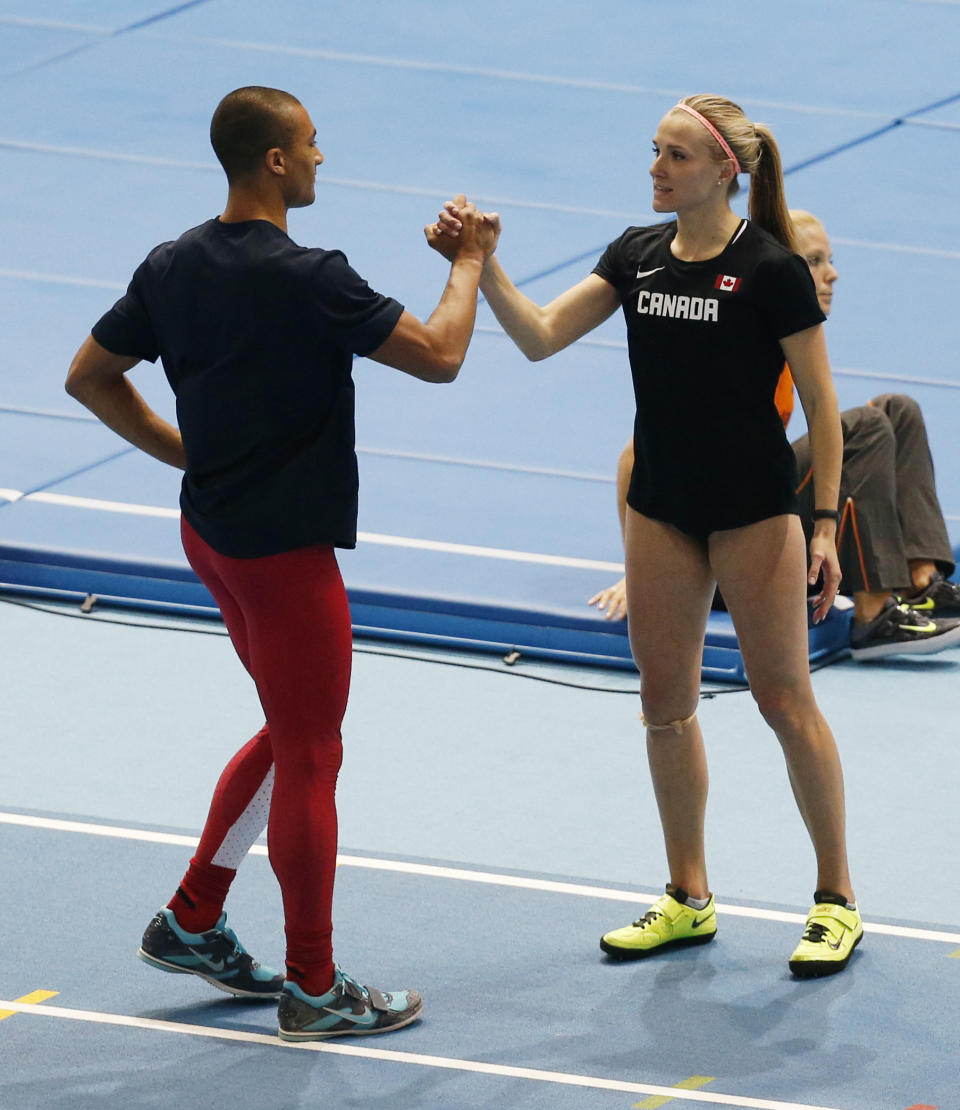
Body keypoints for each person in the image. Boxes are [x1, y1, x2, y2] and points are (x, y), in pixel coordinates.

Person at [65, 86, 497, 1039]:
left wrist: (184, 452)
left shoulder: (171, 263)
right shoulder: (310, 275)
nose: (319, 157)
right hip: (282, 555)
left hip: (211, 537)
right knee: (312, 751)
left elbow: (88, 375)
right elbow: (441, 355)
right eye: (309, 143)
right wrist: (469, 262)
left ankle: (192, 919)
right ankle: (312, 987)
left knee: (289, 725)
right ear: (272, 161)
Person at [433, 95, 862, 977]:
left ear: (722, 173)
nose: (657, 169)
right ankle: (687, 898)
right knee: (665, 709)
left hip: (754, 511)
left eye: (674, 157)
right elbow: (543, 337)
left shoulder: (771, 269)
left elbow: (823, 412)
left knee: (784, 701)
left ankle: (836, 900)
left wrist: (821, 526)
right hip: (662, 508)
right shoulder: (635, 257)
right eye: (655, 153)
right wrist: (485, 264)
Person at [590, 209, 960, 661]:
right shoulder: (735, 337)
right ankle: (874, 615)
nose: (833, 274)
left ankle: (923, 583)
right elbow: (636, 455)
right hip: (724, 552)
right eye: (816, 261)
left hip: (758, 510)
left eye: (830, 260)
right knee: (866, 428)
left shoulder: (783, 334)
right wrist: (641, 570)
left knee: (897, 411)